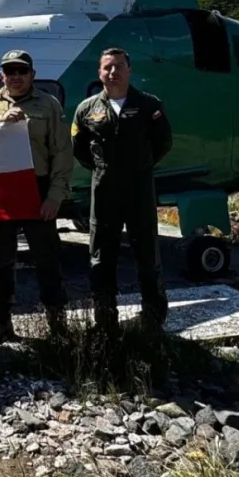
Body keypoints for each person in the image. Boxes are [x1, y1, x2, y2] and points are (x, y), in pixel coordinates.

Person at [0, 49, 72, 344]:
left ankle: (56, 322)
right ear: (2, 75)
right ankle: (1, 322)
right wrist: (1, 120)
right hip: (2, 191)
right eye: (9, 71)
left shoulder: (48, 105)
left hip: (37, 189)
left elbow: (61, 153)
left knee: (47, 258)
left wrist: (54, 196)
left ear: (32, 75)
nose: (15, 77)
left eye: (21, 71)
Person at [71, 47, 173, 340]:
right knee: (101, 256)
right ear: (99, 73)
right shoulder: (87, 109)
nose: (112, 72)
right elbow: (80, 149)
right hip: (104, 190)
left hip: (139, 189)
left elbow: (163, 143)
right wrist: (106, 168)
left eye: (118, 66)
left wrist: (138, 166)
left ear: (129, 71)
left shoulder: (148, 105)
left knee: (147, 253)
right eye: (107, 67)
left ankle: (153, 318)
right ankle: (105, 321)